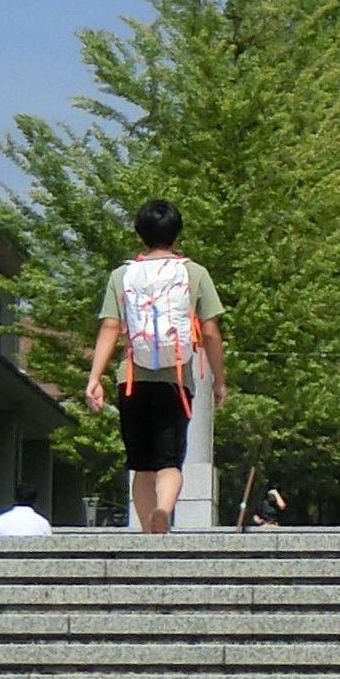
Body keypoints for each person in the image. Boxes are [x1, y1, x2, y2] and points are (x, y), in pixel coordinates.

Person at [82, 197, 226, 535]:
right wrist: (220, 379)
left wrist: (95, 378)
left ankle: (149, 533)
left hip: (131, 379)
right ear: (177, 234)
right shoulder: (194, 272)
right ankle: (164, 509)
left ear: (140, 234)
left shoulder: (123, 275)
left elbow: (110, 327)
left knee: (142, 466)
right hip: (176, 381)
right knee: (170, 463)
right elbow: (209, 331)